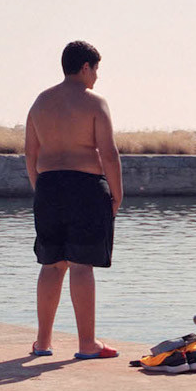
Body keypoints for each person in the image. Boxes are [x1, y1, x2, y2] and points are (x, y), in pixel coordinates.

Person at [24, 41, 123, 359]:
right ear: (85, 67)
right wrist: (117, 193)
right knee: (82, 265)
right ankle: (86, 344)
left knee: (51, 265)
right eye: (95, 69)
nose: (96, 76)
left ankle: (42, 343)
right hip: (85, 187)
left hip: (49, 186)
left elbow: (30, 152)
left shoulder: (40, 102)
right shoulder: (95, 103)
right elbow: (108, 152)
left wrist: (39, 187)